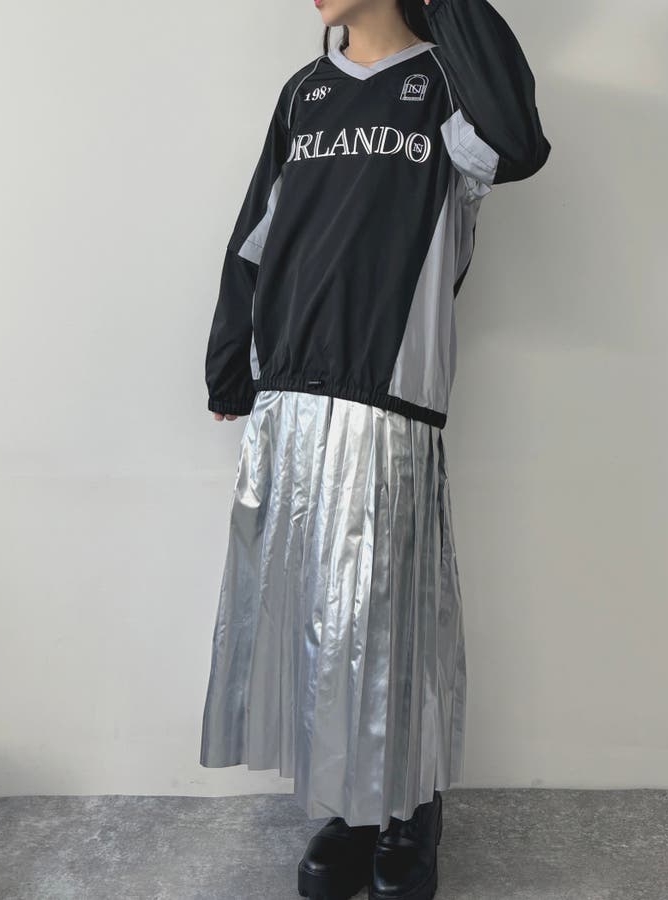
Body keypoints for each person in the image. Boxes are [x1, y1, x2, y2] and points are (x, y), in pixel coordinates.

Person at [198, 0, 550, 897]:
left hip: (387, 393)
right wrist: (231, 362)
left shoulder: (450, 87)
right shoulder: (304, 95)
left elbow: (518, 142)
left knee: (394, 622)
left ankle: (411, 810)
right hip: (291, 393)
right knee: (321, 625)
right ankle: (352, 806)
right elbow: (256, 233)